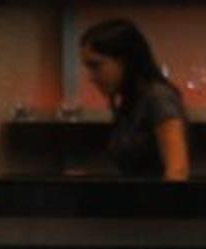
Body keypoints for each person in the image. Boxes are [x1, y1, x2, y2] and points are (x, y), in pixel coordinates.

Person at [79, 18, 191, 183]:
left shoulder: (158, 98)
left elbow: (177, 171)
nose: (91, 77)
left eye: (96, 66)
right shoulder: (131, 101)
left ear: (124, 61)